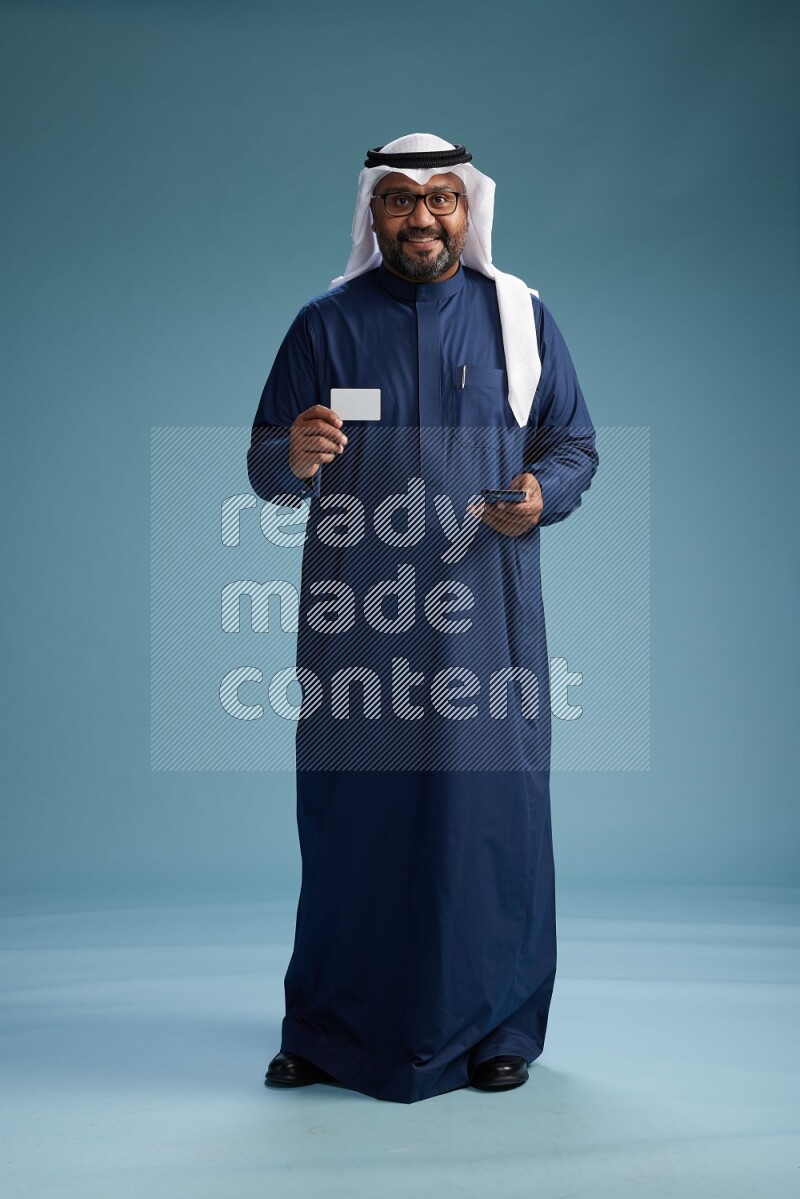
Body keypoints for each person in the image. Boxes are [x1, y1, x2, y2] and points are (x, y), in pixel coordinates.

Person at [247, 133, 598, 1104]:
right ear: (372, 213)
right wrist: (296, 455)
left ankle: (495, 1026)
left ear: (467, 209)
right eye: (400, 199)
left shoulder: (518, 318)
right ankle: (325, 1027)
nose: (421, 216)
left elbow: (572, 441)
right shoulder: (324, 324)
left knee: (485, 820)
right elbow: (263, 456)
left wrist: (540, 492)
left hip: (484, 622)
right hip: (357, 619)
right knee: (353, 817)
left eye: (440, 198)